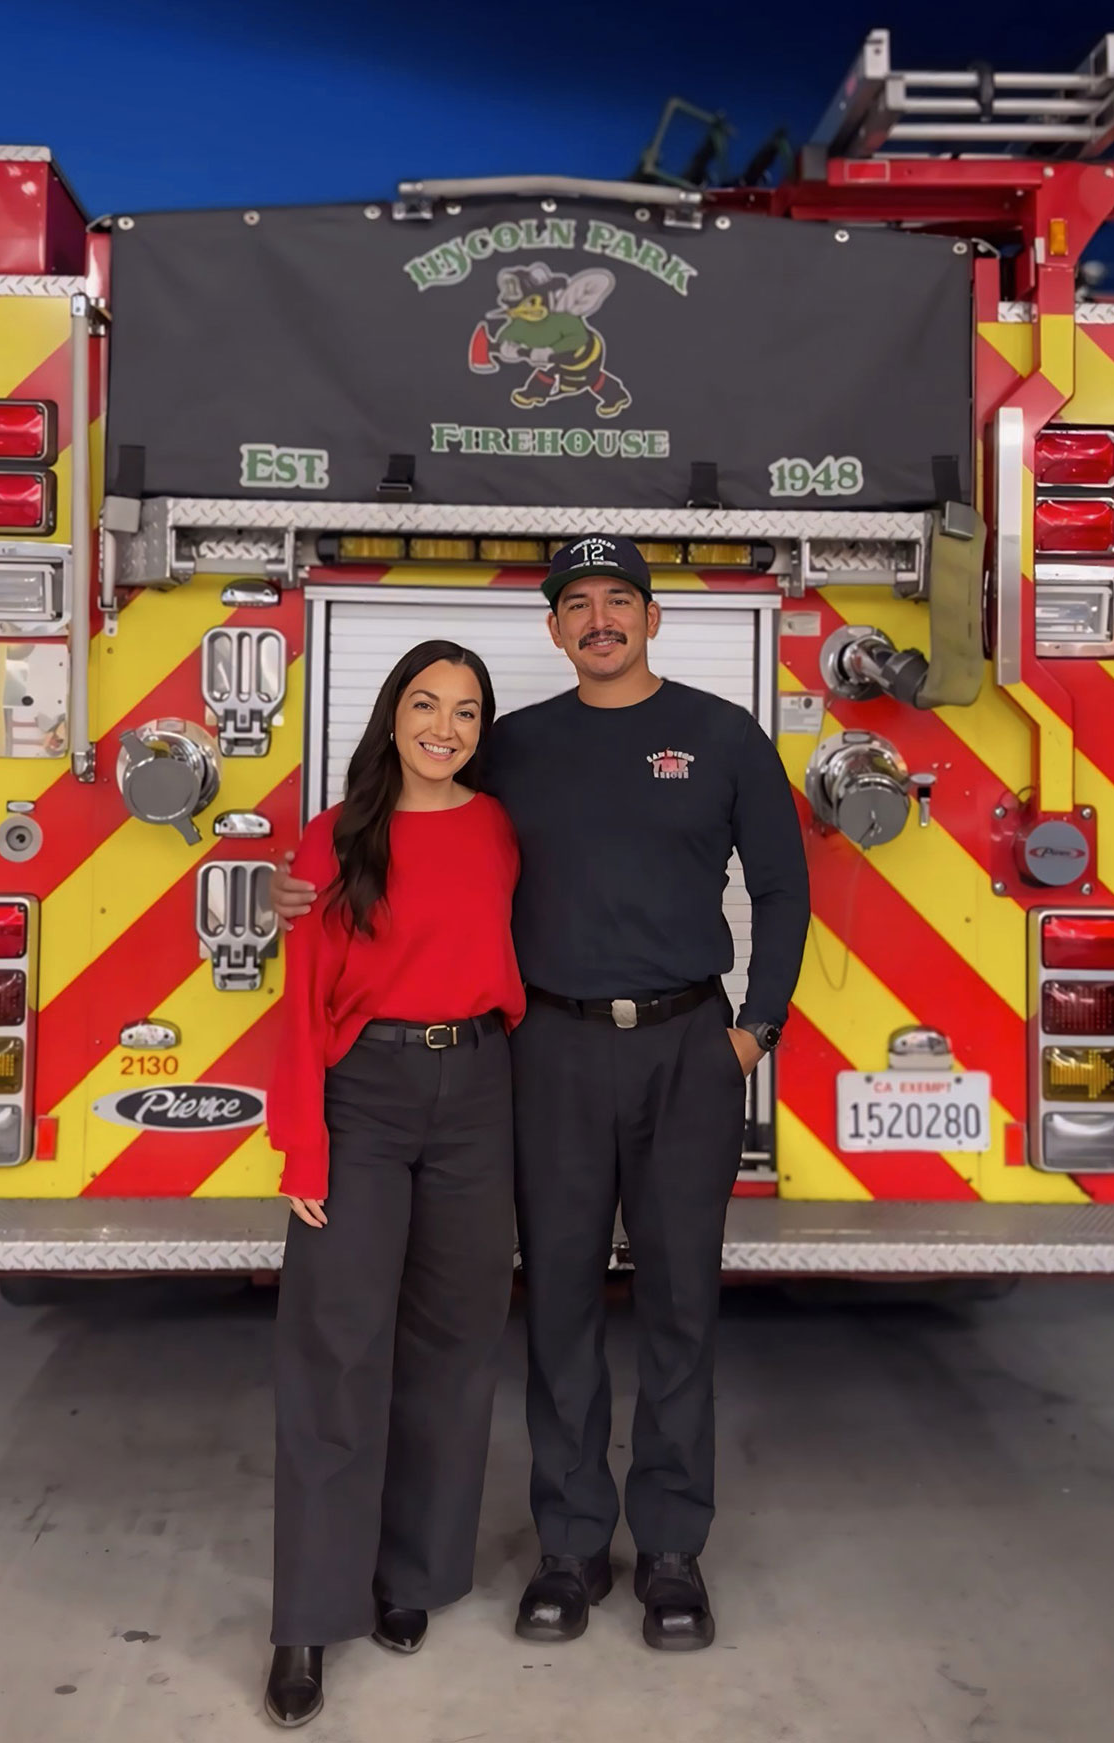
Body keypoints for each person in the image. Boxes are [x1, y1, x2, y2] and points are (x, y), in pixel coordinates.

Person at [272, 536, 810, 1655]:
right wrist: (308, 885)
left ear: (653, 619)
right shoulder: (511, 747)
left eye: (622, 600)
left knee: (678, 1306)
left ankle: (669, 1553)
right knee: (558, 1301)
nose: (601, 619)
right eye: (579, 605)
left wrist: (756, 1030)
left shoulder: (723, 737)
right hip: (549, 1055)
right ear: (554, 632)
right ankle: (568, 1547)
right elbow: (411, 837)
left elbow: (781, 886)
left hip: (688, 1049)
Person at [264, 639, 524, 1729]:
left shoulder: (501, 829)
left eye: (466, 712)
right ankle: (306, 1624)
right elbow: (303, 998)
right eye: (427, 704)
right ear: (392, 715)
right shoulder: (332, 841)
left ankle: (408, 1579)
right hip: (363, 1099)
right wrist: (303, 1144)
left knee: (455, 1348)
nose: (445, 728)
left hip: (477, 1092)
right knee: (336, 1349)